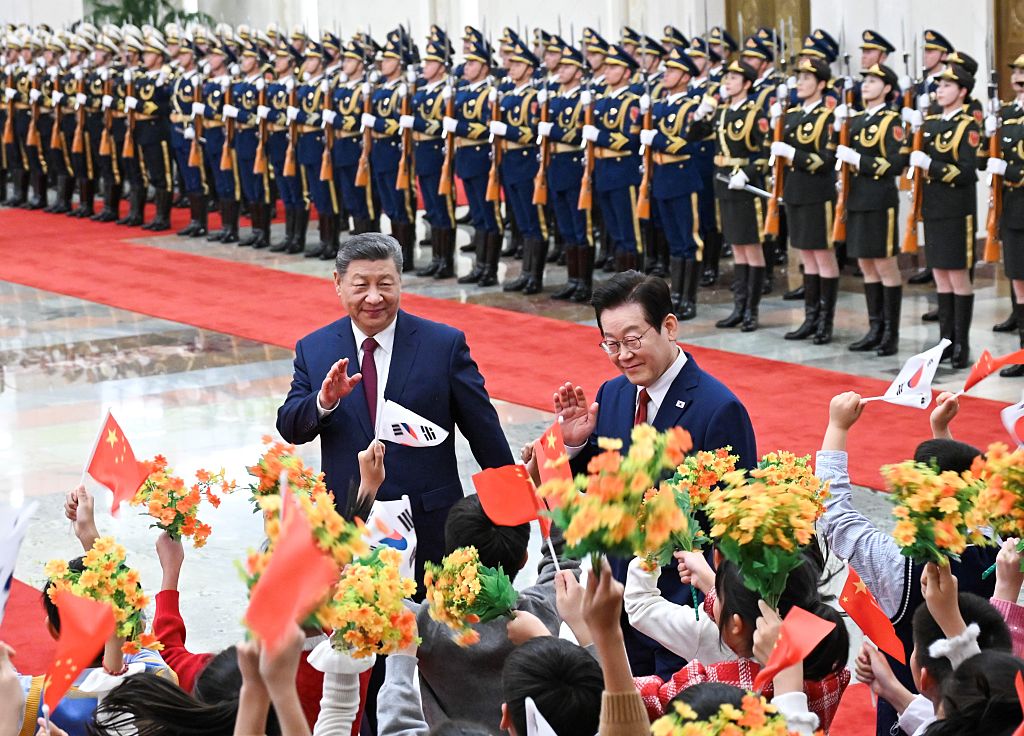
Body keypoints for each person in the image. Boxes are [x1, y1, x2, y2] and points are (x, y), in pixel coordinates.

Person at [550, 270, 756, 678]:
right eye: (611, 344)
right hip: (618, 603)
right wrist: (574, 446)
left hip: (679, 612)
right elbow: (601, 484)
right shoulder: (613, 393)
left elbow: (736, 523)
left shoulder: (718, 409)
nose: (622, 355)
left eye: (633, 340)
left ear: (669, 327)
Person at [276, 233, 513, 584]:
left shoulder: (443, 345)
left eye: (385, 284)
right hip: (349, 523)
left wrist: (512, 514)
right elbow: (290, 426)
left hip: (430, 525)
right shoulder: (315, 348)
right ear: (338, 283)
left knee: (432, 618)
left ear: (400, 280)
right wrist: (324, 402)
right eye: (361, 285)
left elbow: (485, 434)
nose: (374, 297)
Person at [909, 62, 981, 368]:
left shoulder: (968, 126)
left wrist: (931, 166)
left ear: (962, 91)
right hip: (933, 207)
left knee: (958, 275)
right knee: (940, 275)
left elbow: (966, 172)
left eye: (948, 85)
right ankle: (945, 342)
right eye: (939, 85)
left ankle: (961, 343)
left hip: (956, 209)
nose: (940, 90)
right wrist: (913, 128)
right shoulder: (931, 123)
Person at [834, 63, 908, 356]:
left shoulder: (892, 121)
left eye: (874, 81)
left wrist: (859, 160)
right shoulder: (855, 119)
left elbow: (895, 164)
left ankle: (891, 333)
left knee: (885, 264)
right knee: (866, 264)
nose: (866, 84)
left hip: (879, 199)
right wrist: (836, 127)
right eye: (864, 80)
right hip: (856, 198)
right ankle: (875, 328)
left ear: (887, 88)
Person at [772, 57, 839, 345]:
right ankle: (810, 318)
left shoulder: (828, 117)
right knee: (807, 258)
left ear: (821, 84)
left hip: (817, 193)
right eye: (798, 78)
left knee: (823, 256)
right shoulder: (792, 115)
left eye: (807, 78)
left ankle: (825, 322)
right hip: (796, 191)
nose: (800, 83)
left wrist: (793, 154)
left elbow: (826, 160)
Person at [709, 60, 771, 333]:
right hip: (725, 184)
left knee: (752, 248)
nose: (728, 82)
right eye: (727, 77)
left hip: (745, 187)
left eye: (734, 78)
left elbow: (766, 155)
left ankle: (751, 311)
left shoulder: (755, 114)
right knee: (737, 248)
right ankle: (738, 307)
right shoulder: (721, 112)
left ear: (747, 83)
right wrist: (702, 112)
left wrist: (747, 172)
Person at [986, 54, 1024, 376]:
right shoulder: (1008, 116)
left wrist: (1008, 170)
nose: (1018, 78)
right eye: (1016, 72)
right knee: (1019, 282)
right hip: (1013, 209)